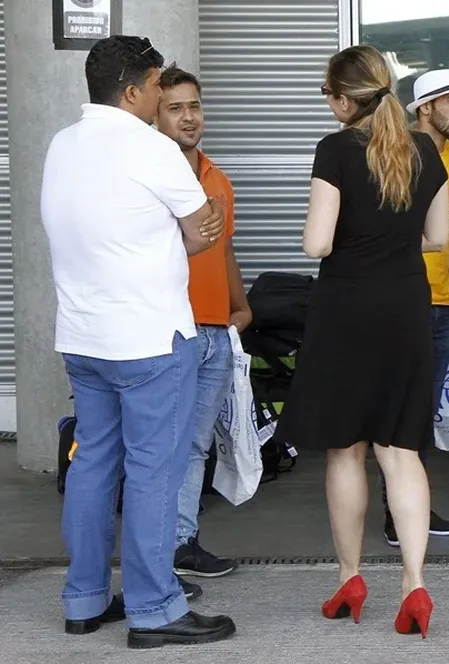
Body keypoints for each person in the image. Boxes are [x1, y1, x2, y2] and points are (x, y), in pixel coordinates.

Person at [40, 35, 236, 649]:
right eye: (156, 86)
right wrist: (181, 232)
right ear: (132, 91)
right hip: (150, 338)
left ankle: (85, 598)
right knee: (155, 470)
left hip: (83, 338)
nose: (161, 96)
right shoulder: (153, 149)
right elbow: (203, 230)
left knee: (93, 463)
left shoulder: (62, 144)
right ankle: (155, 610)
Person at [271, 45, 449, 638]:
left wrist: (351, 235)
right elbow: (437, 237)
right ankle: (415, 585)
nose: (329, 105)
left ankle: (350, 578)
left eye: (328, 95)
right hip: (405, 306)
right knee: (400, 450)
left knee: (346, 448)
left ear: (346, 99)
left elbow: (317, 243)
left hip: (346, 309)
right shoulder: (426, 149)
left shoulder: (336, 149)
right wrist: (389, 238)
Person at [156, 65, 251, 597]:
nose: (189, 117)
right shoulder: (150, 174)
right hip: (170, 330)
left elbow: (224, 248)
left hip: (215, 328)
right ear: (155, 115)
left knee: (193, 445)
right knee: (163, 446)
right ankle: (156, 557)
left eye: (194, 106)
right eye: (175, 108)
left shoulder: (217, 177)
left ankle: (181, 543)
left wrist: (241, 305)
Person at [375, 68, 449, 548]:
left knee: (423, 412)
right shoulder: (395, 154)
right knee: (398, 408)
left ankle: (412, 508)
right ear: (425, 108)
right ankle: (395, 513)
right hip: (401, 297)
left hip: (441, 300)